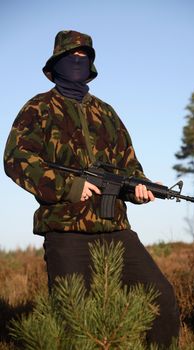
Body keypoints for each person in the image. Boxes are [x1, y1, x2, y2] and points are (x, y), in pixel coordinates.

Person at [4, 30, 179, 347]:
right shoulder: (38, 108)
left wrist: (143, 188)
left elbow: (128, 168)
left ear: (91, 66)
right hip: (65, 229)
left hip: (115, 229)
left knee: (161, 296)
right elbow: (16, 159)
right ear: (56, 63)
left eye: (84, 58)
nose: (77, 63)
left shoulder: (107, 113)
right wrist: (69, 186)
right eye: (71, 57)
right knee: (74, 317)